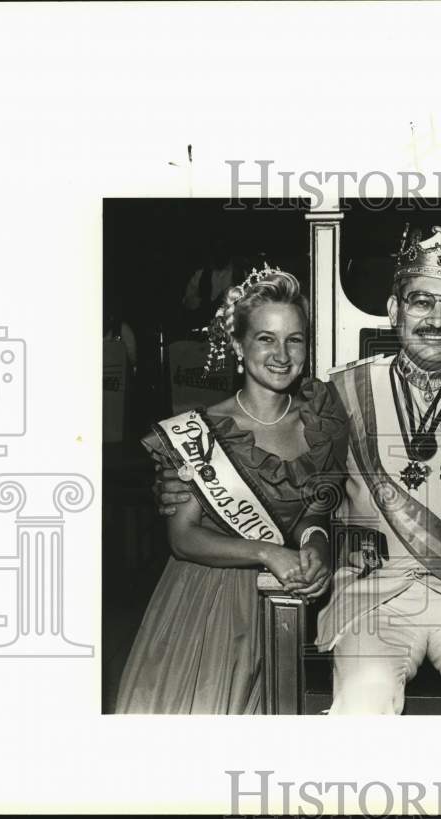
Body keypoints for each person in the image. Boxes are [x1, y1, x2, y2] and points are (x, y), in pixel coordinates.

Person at [156, 219, 441, 716]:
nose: (437, 318)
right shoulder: (340, 394)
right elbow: (270, 458)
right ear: (394, 310)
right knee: (364, 695)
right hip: (374, 594)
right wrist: (186, 481)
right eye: (421, 301)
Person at [116, 268, 348, 714]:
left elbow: (317, 512)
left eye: (294, 339)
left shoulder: (321, 422)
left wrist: (316, 546)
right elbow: (182, 539)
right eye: (266, 339)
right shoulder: (199, 430)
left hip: (291, 599)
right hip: (209, 601)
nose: (281, 354)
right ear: (240, 346)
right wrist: (267, 553)